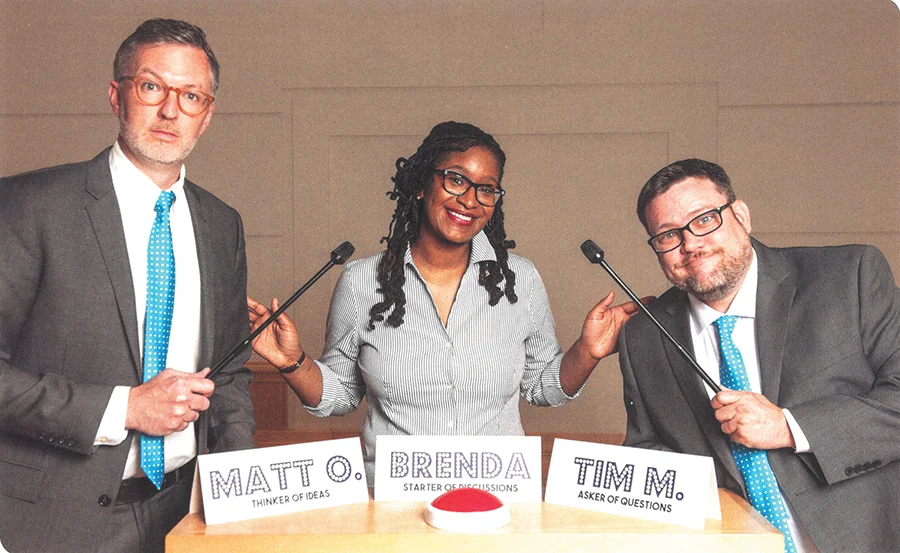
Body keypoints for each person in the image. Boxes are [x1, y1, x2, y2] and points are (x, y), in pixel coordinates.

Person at [249, 121, 642, 482]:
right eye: (456, 180)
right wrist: (292, 362)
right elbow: (341, 394)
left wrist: (587, 351)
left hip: (496, 501)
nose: (470, 200)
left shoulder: (520, 280)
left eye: (486, 188)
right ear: (422, 184)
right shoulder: (360, 282)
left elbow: (542, 387)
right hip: (391, 506)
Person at [0, 19, 255, 553]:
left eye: (190, 95)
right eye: (151, 86)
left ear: (206, 116)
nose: (170, 110)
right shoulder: (27, 207)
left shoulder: (221, 224)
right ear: (116, 94)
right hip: (54, 519)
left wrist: (238, 492)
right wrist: (123, 409)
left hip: (185, 513)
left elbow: (228, 374)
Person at [618, 158, 900, 553]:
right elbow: (648, 451)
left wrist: (789, 427)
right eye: (667, 235)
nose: (690, 244)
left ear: (741, 216)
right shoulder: (643, 336)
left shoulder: (848, 275)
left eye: (703, 220)